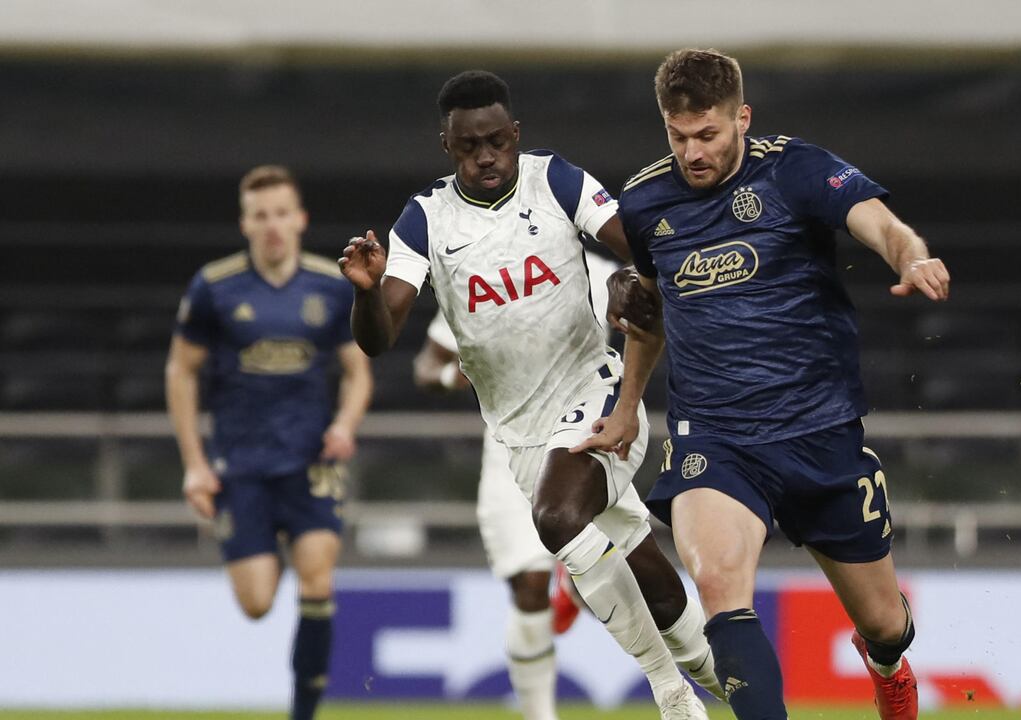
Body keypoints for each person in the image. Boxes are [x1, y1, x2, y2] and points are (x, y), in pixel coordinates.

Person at [577, 49, 952, 720]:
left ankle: (887, 663)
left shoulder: (794, 169)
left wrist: (912, 257)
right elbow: (650, 311)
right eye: (678, 136)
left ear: (741, 119)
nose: (692, 153)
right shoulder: (645, 201)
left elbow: (881, 224)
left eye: (708, 134)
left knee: (884, 623)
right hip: (716, 437)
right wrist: (628, 407)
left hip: (819, 431)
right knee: (719, 583)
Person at [339, 71, 719, 719]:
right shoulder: (425, 219)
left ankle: (670, 691)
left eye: (497, 142)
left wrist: (630, 279)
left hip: (597, 392)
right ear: (447, 146)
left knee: (557, 518)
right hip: (518, 436)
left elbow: (640, 248)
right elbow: (379, 340)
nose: (486, 157)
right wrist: (367, 292)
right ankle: (727, 680)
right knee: (642, 567)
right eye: (469, 147)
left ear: (515, 135)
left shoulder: (556, 180)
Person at [165, 165, 373, 720]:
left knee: (318, 579)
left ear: (300, 219)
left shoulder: (330, 285)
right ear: (246, 224)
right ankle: (275, 549)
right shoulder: (215, 287)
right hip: (242, 464)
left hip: (311, 462)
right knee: (256, 603)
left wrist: (344, 426)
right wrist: (194, 465)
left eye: (282, 213)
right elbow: (181, 372)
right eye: (261, 216)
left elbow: (357, 371)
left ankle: (303, 714)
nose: (273, 225)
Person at [410, 246, 621, 719]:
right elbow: (425, 365)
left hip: (582, 444)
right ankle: (539, 714)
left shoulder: (600, 274)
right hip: (510, 450)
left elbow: (650, 323)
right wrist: (447, 376)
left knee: (603, 587)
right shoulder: (479, 276)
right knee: (528, 584)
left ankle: (576, 587)